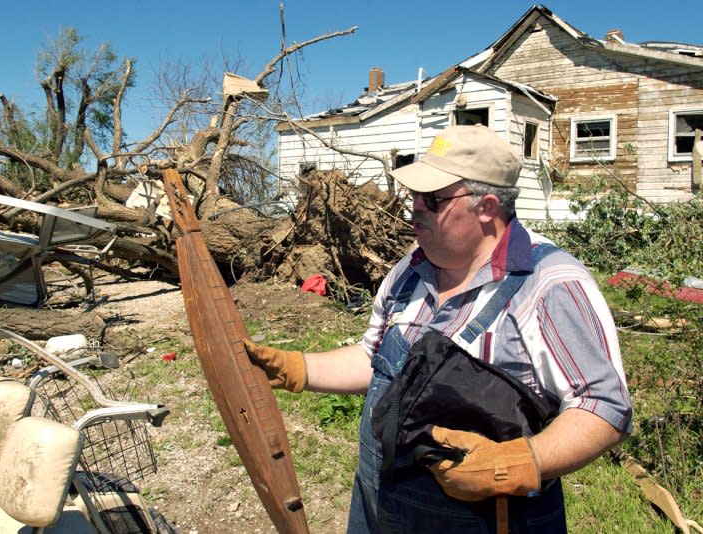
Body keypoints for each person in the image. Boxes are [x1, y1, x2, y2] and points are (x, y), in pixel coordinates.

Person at [243, 124, 632, 533]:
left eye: (433, 198)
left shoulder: (549, 284)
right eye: (414, 194)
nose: (415, 207)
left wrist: (520, 462)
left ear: (487, 207)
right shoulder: (411, 270)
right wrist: (297, 367)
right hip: (380, 507)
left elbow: (605, 406)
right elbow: (372, 360)